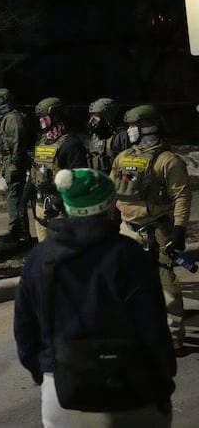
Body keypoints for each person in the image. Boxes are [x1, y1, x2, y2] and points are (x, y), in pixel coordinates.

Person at [14, 168, 175, 427]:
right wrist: (164, 378)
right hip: (130, 386)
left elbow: (25, 330)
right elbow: (153, 327)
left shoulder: (40, 257)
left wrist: (45, 371)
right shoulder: (129, 255)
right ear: (108, 207)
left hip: (62, 389)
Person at [111, 104, 191, 351]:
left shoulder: (169, 161)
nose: (129, 131)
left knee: (166, 281)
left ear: (149, 127)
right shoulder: (122, 158)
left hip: (157, 231)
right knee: (126, 282)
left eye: (133, 126)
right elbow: (111, 191)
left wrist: (179, 229)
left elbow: (181, 196)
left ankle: (173, 335)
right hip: (127, 229)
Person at [25, 97, 88, 242]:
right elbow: (35, 169)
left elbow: (78, 179)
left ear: (56, 116)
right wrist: (26, 195)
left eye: (44, 117)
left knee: (64, 250)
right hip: (41, 206)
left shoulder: (71, 144)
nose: (41, 121)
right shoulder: (42, 142)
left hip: (62, 210)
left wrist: (57, 204)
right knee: (44, 250)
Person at [0, 88, 33, 244]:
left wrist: (15, 163)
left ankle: (18, 231)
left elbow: (18, 142)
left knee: (15, 197)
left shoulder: (13, 118)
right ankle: (19, 230)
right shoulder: (5, 118)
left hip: (14, 163)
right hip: (8, 162)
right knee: (14, 196)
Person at [85, 97, 129, 175]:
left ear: (108, 116)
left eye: (96, 115)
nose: (92, 120)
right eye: (91, 115)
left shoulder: (121, 137)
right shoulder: (93, 138)